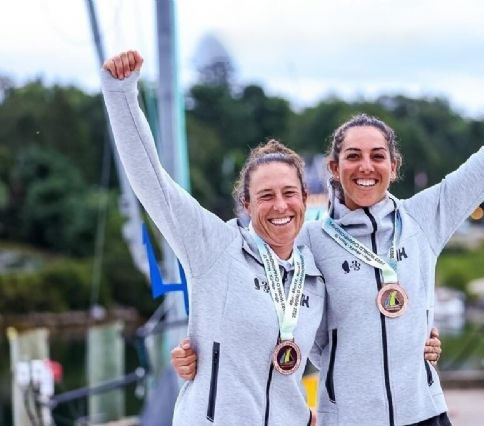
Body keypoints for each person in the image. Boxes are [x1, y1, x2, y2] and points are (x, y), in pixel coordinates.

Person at [173, 15, 484, 425]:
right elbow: (262, 313)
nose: (365, 166)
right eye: (352, 156)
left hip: (425, 413)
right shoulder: (308, 242)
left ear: (393, 166)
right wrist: (198, 356)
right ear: (333, 167)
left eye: (377, 156)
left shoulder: (424, 219)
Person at [102, 53, 326, 425]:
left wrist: (422, 343)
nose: (280, 206)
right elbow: (151, 182)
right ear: (246, 203)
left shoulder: (315, 272)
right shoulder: (214, 246)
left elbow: (349, 341)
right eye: (266, 196)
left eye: (289, 193)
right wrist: (120, 92)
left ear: (305, 197)